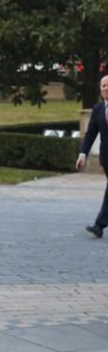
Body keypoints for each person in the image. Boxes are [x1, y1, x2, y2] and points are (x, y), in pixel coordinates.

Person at [76, 74, 108, 238]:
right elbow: (90, 134)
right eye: (103, 85)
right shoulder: (98, 109)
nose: (106, 88)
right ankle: (100, 225)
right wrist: (83, 153)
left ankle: (99, 225)